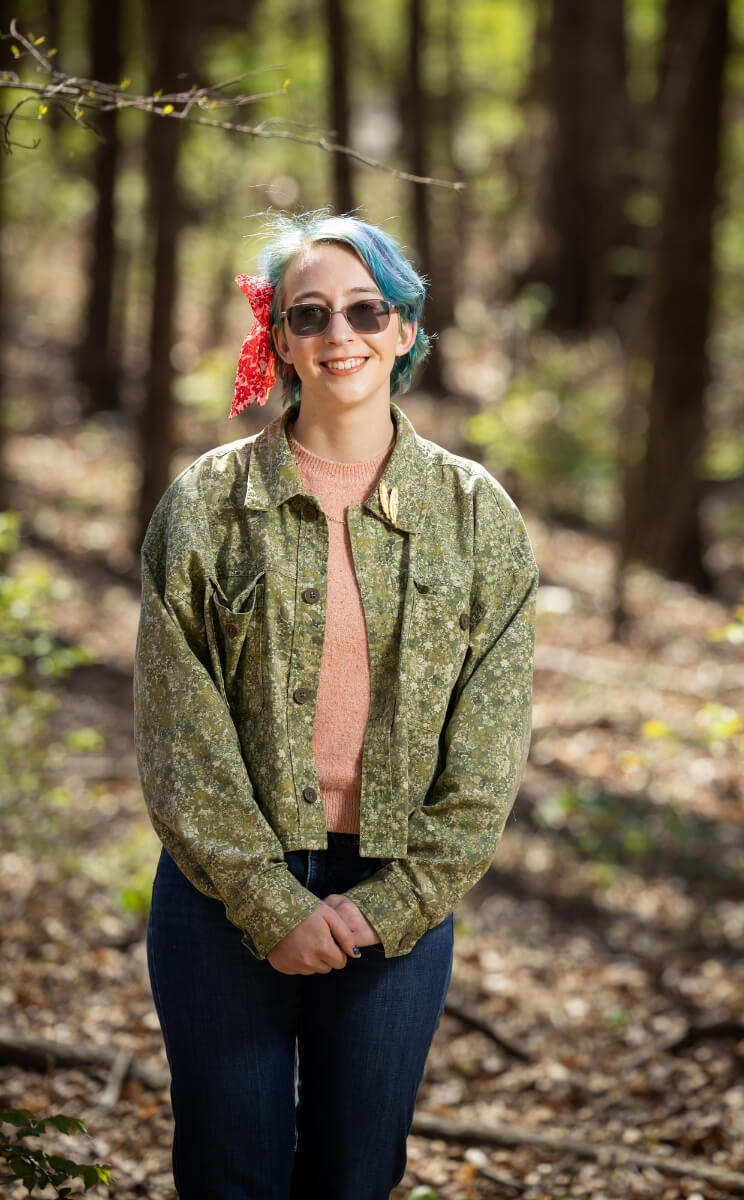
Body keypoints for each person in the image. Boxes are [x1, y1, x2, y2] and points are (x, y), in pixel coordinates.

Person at [134, 211, 538, 1200]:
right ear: (276, 338)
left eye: (366, 310)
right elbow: (176, 729)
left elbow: (486, 752)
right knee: (232, 1173)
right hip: (221, 893)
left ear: (405, 329)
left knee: (354, 1177)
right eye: (310, 314)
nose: (339, 334)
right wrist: (267, 900)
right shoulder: (207, 504)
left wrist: (390, 905)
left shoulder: (475, 513)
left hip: (394, 901)